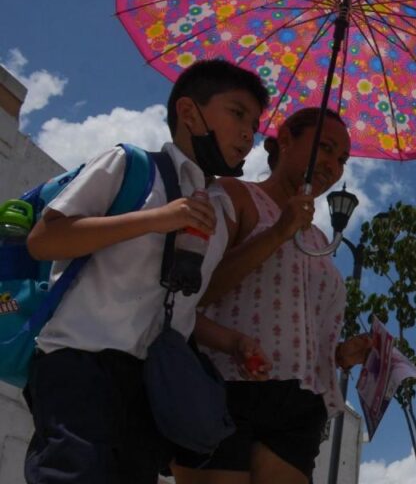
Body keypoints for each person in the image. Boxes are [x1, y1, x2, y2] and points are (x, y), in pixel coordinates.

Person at [23, 58, 270, 484]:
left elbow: (177, 309)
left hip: (146, 386)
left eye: (255, 122)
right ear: (189, 113)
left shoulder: (217, 208)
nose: (250, 133)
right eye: (237, 113)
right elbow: (46, 238)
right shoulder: (131, 165)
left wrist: (232, 342)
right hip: (79, 363)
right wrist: (157, 219)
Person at [173, 107, 372, 484]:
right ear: (285, 140)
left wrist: (340, 355)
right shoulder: (235, 196)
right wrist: (278, 232)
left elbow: (294, 326)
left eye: (342, 158)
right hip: (223, 385)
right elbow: (191, 288)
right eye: (325, 148)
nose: (333, 164)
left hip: (297, 405)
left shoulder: (316, 240)